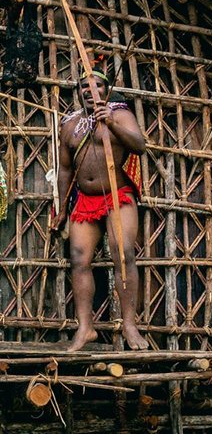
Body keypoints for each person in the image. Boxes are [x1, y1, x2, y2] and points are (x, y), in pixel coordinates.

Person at [52, 58, 149, 351]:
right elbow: (66, 171)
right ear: (78, 91)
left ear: (108, 90)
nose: (89, 89)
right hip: (85, 200)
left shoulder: (119, 114)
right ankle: (85, 329)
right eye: (84, 85)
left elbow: (139, 145)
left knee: (124, 255)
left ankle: (130, 326)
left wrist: (110, 122)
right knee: (80, 261)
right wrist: (61, 209)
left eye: (97, 84)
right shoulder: (70, 123)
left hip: (117, 196)